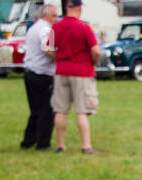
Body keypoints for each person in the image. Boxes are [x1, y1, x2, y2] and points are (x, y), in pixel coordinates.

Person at [50, 0, 101, 154]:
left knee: (60, 110)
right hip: (82, 72)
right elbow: (96, 51)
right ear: (79, 8)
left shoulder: (55, 27)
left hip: (62, 71)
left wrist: (58, 58)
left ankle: (60, 145)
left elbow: (49, 49)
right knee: (82, 110)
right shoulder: (84, 27)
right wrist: (93, 63)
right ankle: (86, 145)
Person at [20, 3, 57, 150]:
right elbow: (48, 48)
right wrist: (59, 57)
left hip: (29, 71)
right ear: (46, 15)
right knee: (46, 111)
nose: (56, 19)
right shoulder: (46, 29)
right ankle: (43, 143)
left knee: (35, 110)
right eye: (54, 15)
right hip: (42, 74)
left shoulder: (33, 28)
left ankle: (28, 140)